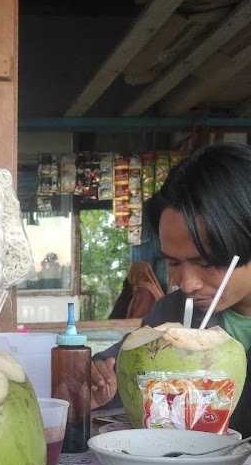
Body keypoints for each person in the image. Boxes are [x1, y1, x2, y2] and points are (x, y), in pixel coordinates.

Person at [91, 142, 251, 438]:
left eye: (205, 262)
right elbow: (120, 369)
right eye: (173, 263)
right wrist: (99, 381)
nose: (187, 284)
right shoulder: (172, 312)